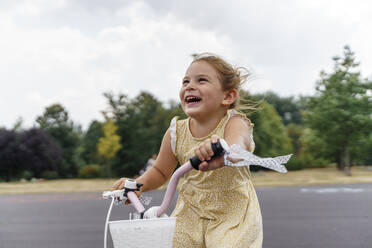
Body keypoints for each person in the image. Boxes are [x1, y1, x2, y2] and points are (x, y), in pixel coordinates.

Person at [112, 53, 262, 247]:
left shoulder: (235, 123)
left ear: (228, 96)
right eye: (185, 81)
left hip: (231, 213)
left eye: (202, 80)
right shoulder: (176, 131)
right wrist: (136, 185)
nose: (190, 86)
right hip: (189, 211)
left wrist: (224, 149)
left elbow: (238, 147)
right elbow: (160, 171)